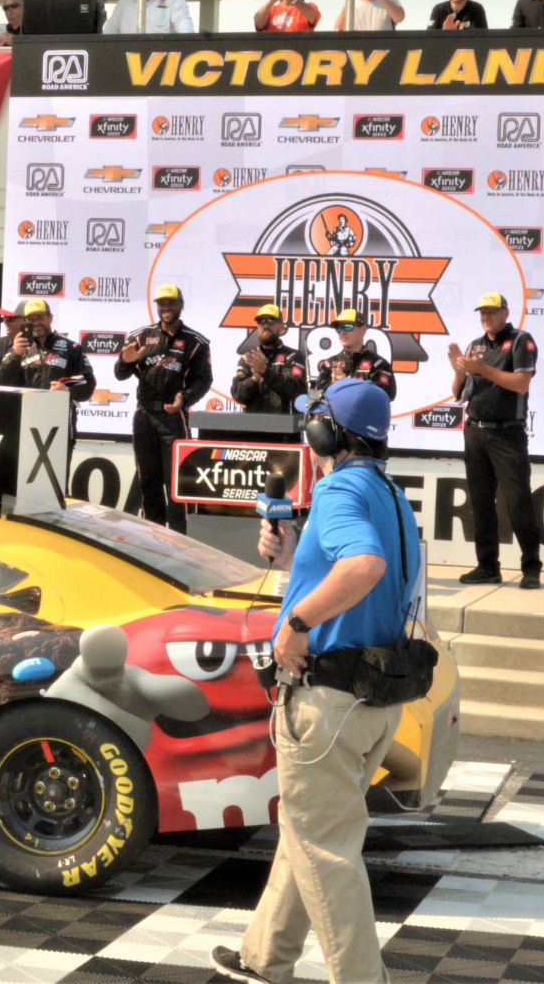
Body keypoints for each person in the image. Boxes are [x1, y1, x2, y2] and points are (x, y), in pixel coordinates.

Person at [211, 379, 422, 984]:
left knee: (324, 849)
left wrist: (296, 625)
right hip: (370, 702)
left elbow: (364, 566)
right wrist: (293, 555)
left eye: (314, 422)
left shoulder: (336, 489)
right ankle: (265, 957)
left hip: (327, 703)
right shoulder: (387, 491)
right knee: (308, 831)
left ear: (327, 433)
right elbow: (365, 576)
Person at [448, 292, 542, 590]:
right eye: (482, 312)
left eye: (491, 311)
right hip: (475, 430)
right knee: (480, 503)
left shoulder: (520, 340)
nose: (486, 317)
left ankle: (531, 568)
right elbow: (457, 392)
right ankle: (487, 566)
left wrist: (483, 369)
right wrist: (460, 370)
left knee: (517, 501)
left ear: (505, 312)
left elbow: (521, 383)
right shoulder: (475, 345)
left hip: (507, 433)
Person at [113, 284, 211, 533]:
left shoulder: (195, 342)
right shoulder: (141, 336)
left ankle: (180, 539)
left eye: (171, 303)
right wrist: (126, 361)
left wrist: (185, 398)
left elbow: (204, 379)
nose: (166, 308)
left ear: (181, 305)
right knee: (148, 480)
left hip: (173, 417)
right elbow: (120, 374)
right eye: (162, 304)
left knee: (176, 483)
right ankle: (151, 538)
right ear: (156, 306)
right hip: (144, 415)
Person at [0, 298, 96, 465]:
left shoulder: (71, 348)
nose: (36, 323)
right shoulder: (18, 348)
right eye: (31, 319)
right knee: (24, 475)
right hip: (26, 421)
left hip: (60, 422)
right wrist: (15, 355)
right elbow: (2, 381)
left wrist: (67, 390)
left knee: (57, 476)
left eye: (40, 317)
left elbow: (88, 383)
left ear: (50, 318)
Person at [230, 304, 307, 414]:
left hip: (284, 427)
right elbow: (238, 395)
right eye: (261, 321)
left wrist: (265, 372)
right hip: (252, 426)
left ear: (281, 326)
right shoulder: (249, 357)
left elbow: (294, 390)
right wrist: (254, 378)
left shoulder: (294, 356)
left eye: (271, 320)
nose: (265, 325)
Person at [313, 308, 396, 401]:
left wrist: (345, 384)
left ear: (363, 330)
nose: (342, 332)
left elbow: (387, 394)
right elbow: (317, 393)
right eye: (339, 328)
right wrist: (334, 385)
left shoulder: (378, 364)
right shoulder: (330, 363)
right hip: (336, 415)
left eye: (348, 326)